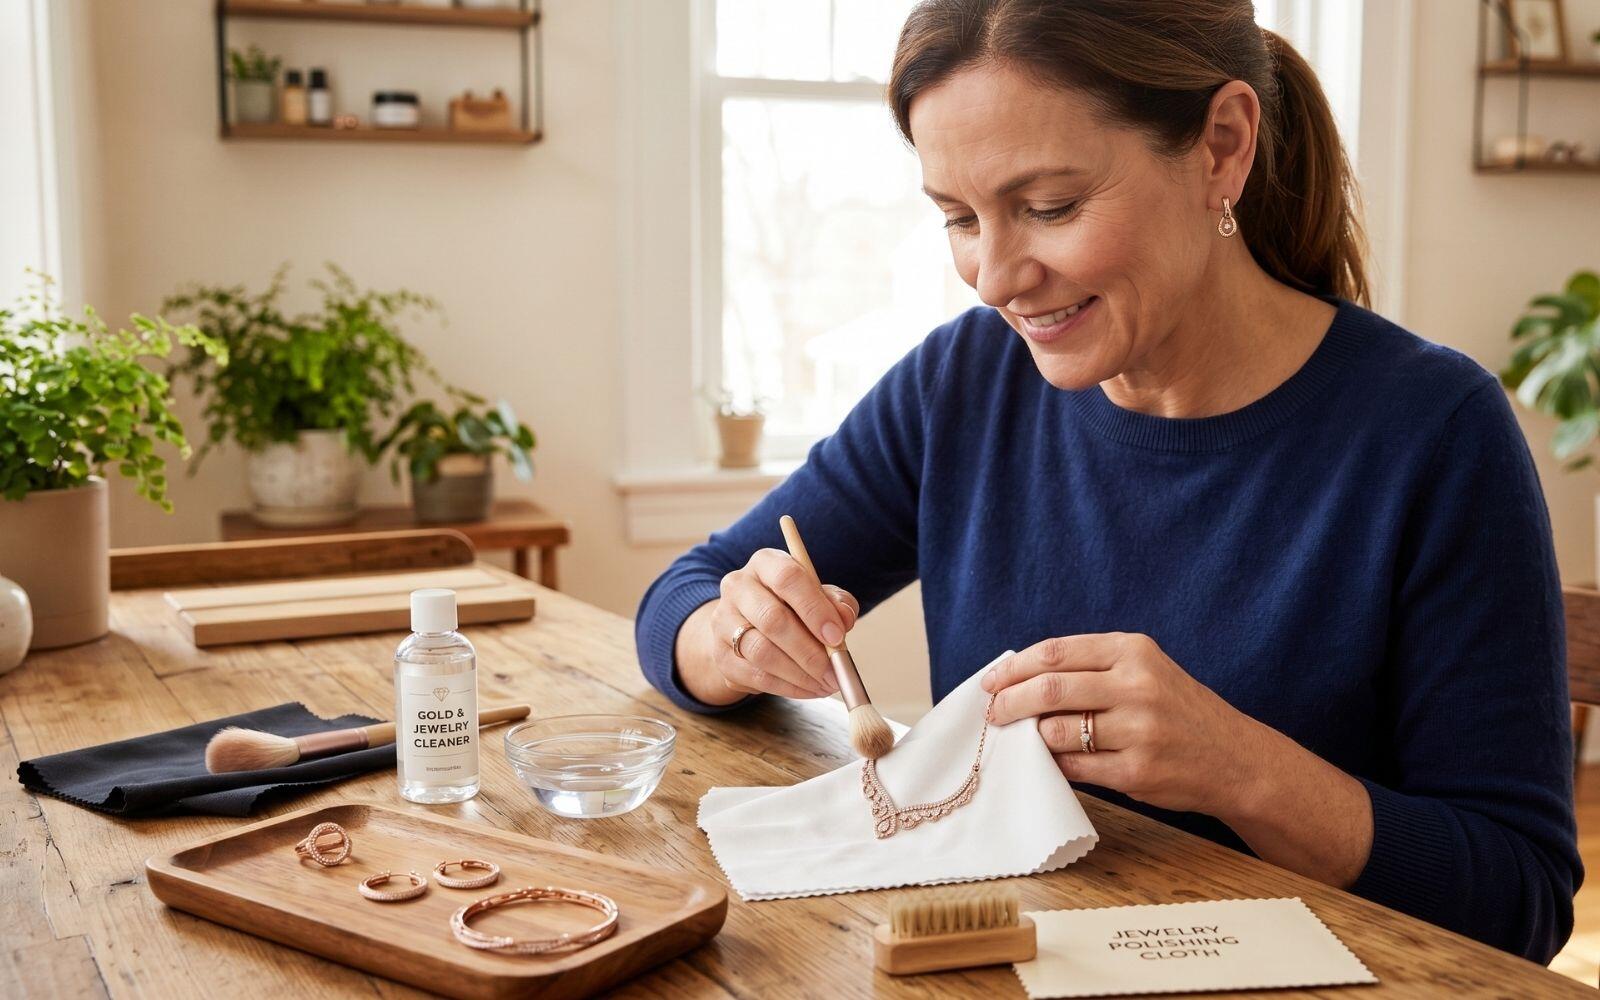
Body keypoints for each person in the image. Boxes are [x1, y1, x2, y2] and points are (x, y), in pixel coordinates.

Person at [635, 0, 1580, 963]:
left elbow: (1518, 901)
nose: (995, 277)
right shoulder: (962, 383)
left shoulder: (1434, 433)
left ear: (1221, 146)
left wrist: (1239, 768)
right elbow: (684, 594)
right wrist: (735, 638)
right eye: (960, 218)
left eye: (1049, 208)